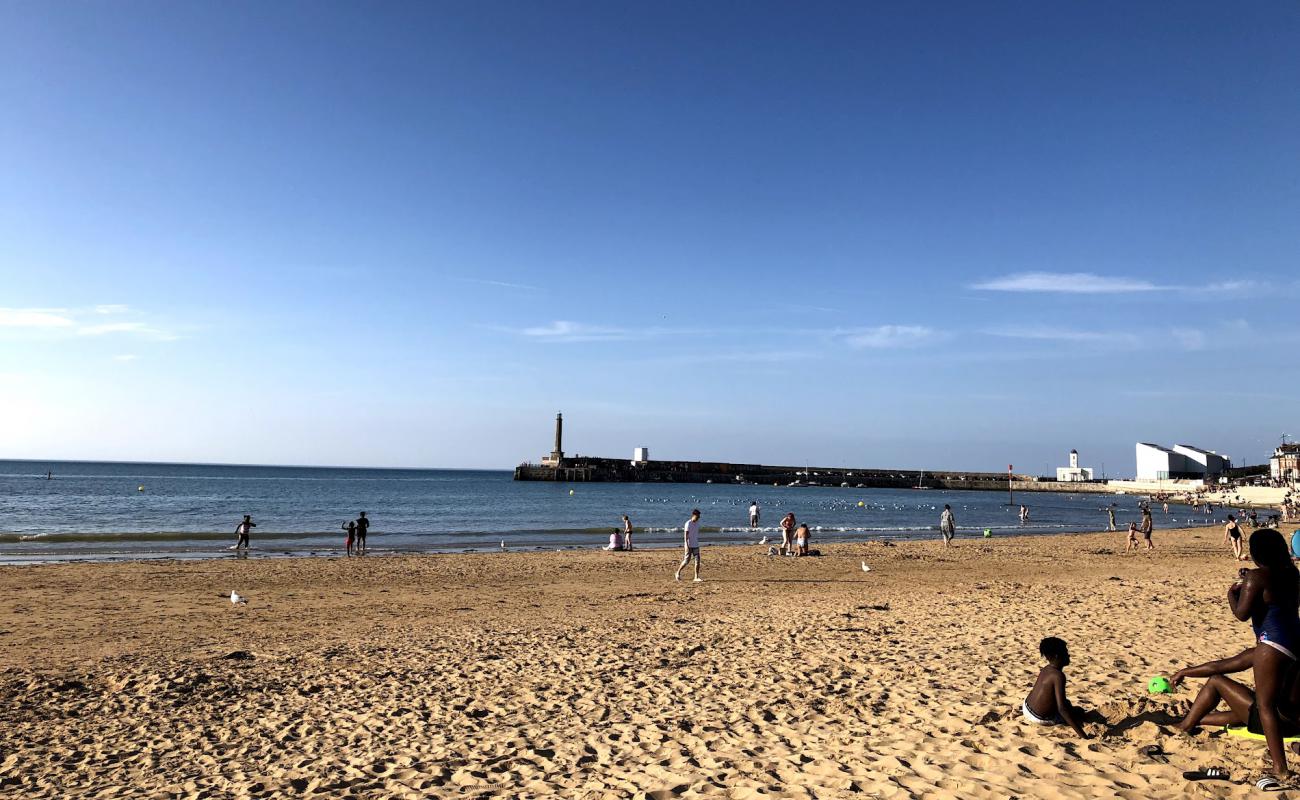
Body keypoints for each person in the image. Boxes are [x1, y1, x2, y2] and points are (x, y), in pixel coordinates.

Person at [1172, 529, 1300, 783]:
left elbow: (1241, 614)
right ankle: (1188, 721)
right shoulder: (1291, 573)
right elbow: (1272, 593)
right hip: (1293, 639)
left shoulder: (1257, 578)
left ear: (1255, 553)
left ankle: (1280, 768)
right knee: (1253, 706)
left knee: (1260, 704)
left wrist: (1233, 594)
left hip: (1271, 642)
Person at [1022, 637, 1089, 738]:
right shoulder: (1058, 676)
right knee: (1078, 711)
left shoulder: (1046, 669)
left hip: (1026, 707)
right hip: (1039, 718)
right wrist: (1083, 735)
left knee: (1068, 704)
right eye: (1066, 652)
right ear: (1058, 656)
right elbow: (1061, 709)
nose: (1068, 655)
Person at [675, 509, 702, 582]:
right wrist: (686, 545)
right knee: (686, 561)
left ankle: (696, 577)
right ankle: (678, 572)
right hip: (689, 545)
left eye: (699, 516)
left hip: (695, 544)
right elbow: (685, 536)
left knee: (697, 561)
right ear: (694, 515)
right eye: (698, 516)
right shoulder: (688, 523)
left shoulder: (697, 523)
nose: (699, 518)